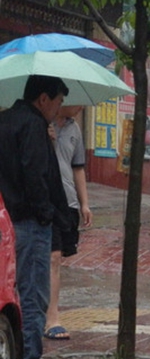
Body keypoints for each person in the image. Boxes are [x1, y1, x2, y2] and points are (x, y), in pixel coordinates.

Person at [0, 75, 70, 359]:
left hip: (6, 219)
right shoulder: (32, 126)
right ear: (43, 98)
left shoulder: (5, 121)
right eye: (57, 101)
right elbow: (35, 175)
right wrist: (47, 215)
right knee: (32, 294)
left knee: (9, 293)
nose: (58, 109)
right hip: (29, 223)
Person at [45, 105, 92, 341]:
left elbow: (78, 168)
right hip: (43, 200)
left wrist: (84, 203)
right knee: (51, 257)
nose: (81, 107)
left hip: (67, 202)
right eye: (77, 102)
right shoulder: (42, 124)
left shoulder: (75, 129)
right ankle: (50, 316)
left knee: (57, 258)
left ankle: (49, 313)